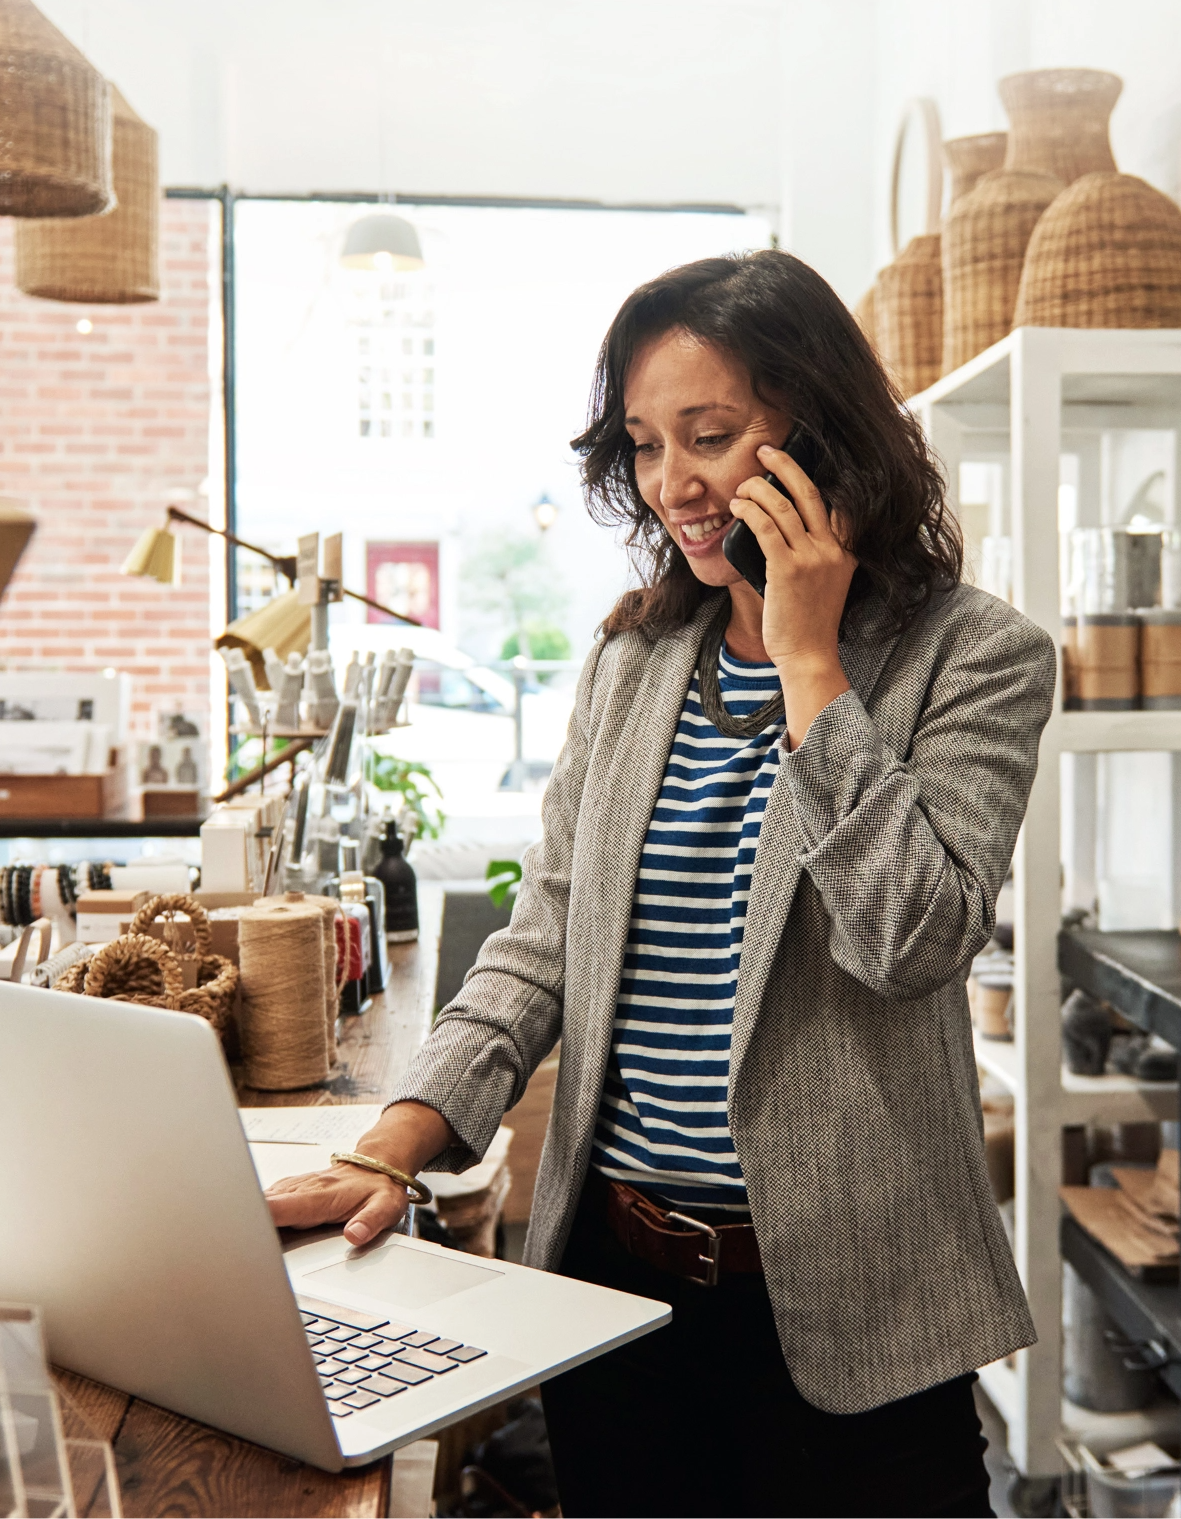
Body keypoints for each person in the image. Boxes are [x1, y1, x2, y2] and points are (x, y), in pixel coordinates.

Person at [266, 250, 1055, 1517]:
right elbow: (551, 934)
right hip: (615, 1297)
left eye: (712, 434)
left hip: (857, 1316)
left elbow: (916, 934)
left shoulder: (976, 656)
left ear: (819, 434)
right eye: (643, 443)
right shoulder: (636, 662)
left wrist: (807, 659)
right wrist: (399, 1144)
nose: (672, 483)